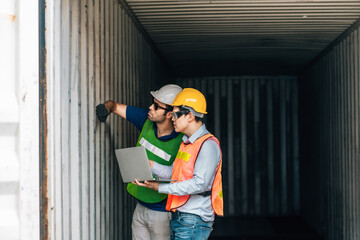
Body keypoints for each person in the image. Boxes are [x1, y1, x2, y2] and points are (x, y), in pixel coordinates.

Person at [96, 84, 184, 240]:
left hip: (162, 212)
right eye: (152, 102)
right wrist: (105, 108)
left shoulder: (182, 141)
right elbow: (114, 105)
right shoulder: (146, 119)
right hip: (140, 205)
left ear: (170, 114)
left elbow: (180, 177)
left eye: (156, 106)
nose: (150, 107)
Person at [134, 88, 223, 240]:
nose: (172, 118)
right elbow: (174, 173)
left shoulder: (207, 145)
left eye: (175, 114)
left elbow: (199, 184)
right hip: (182, 217)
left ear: (189, 116)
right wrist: (150, 165)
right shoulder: (187, 143)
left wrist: (161, 187)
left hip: (194, 219)